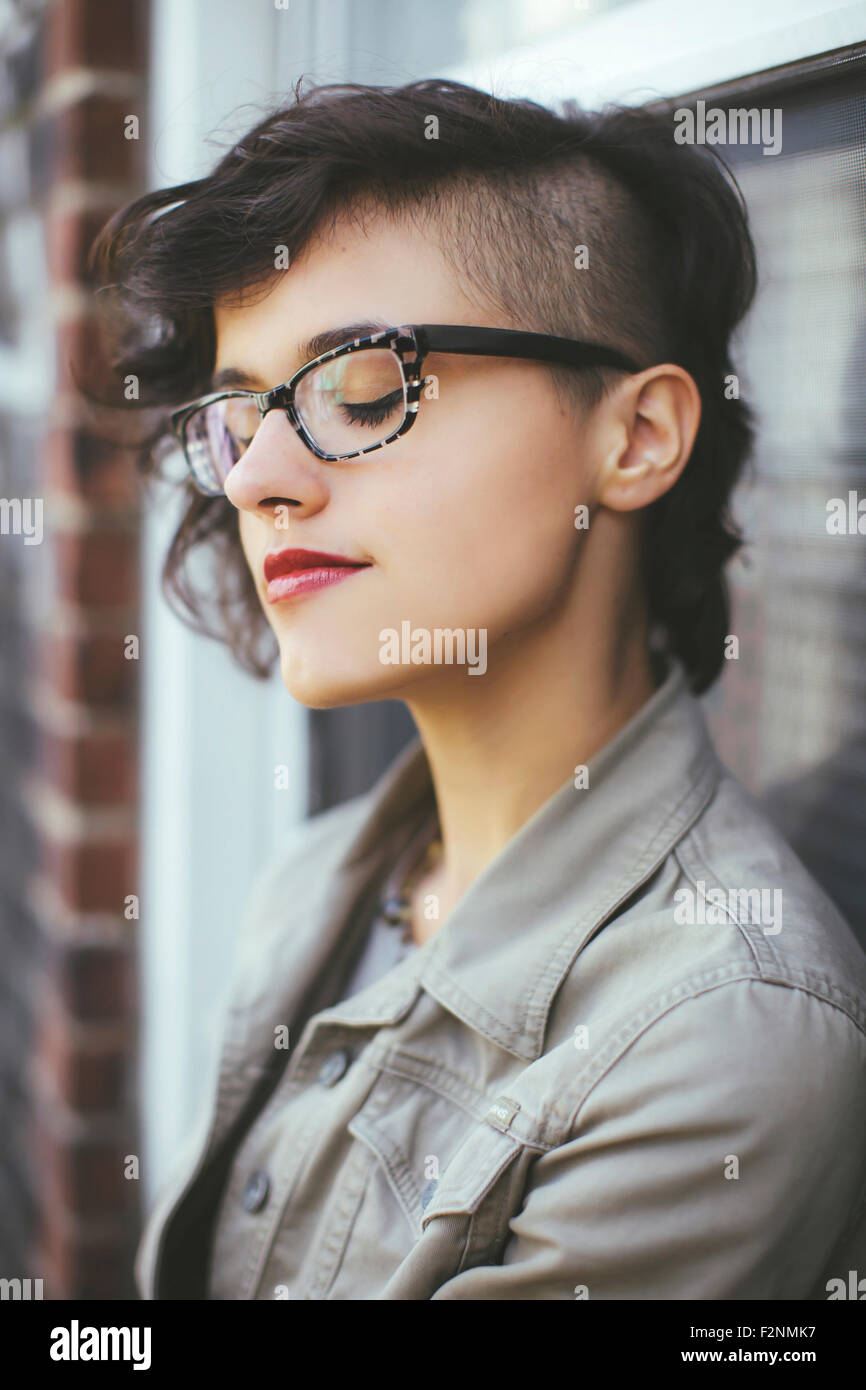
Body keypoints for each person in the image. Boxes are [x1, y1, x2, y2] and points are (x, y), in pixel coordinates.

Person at [90, 77, 866, 1300]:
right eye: (238, 415)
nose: (254, 479)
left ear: (636, 437)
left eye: (359, 388)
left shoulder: (717, 1037)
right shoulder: (317, 882)